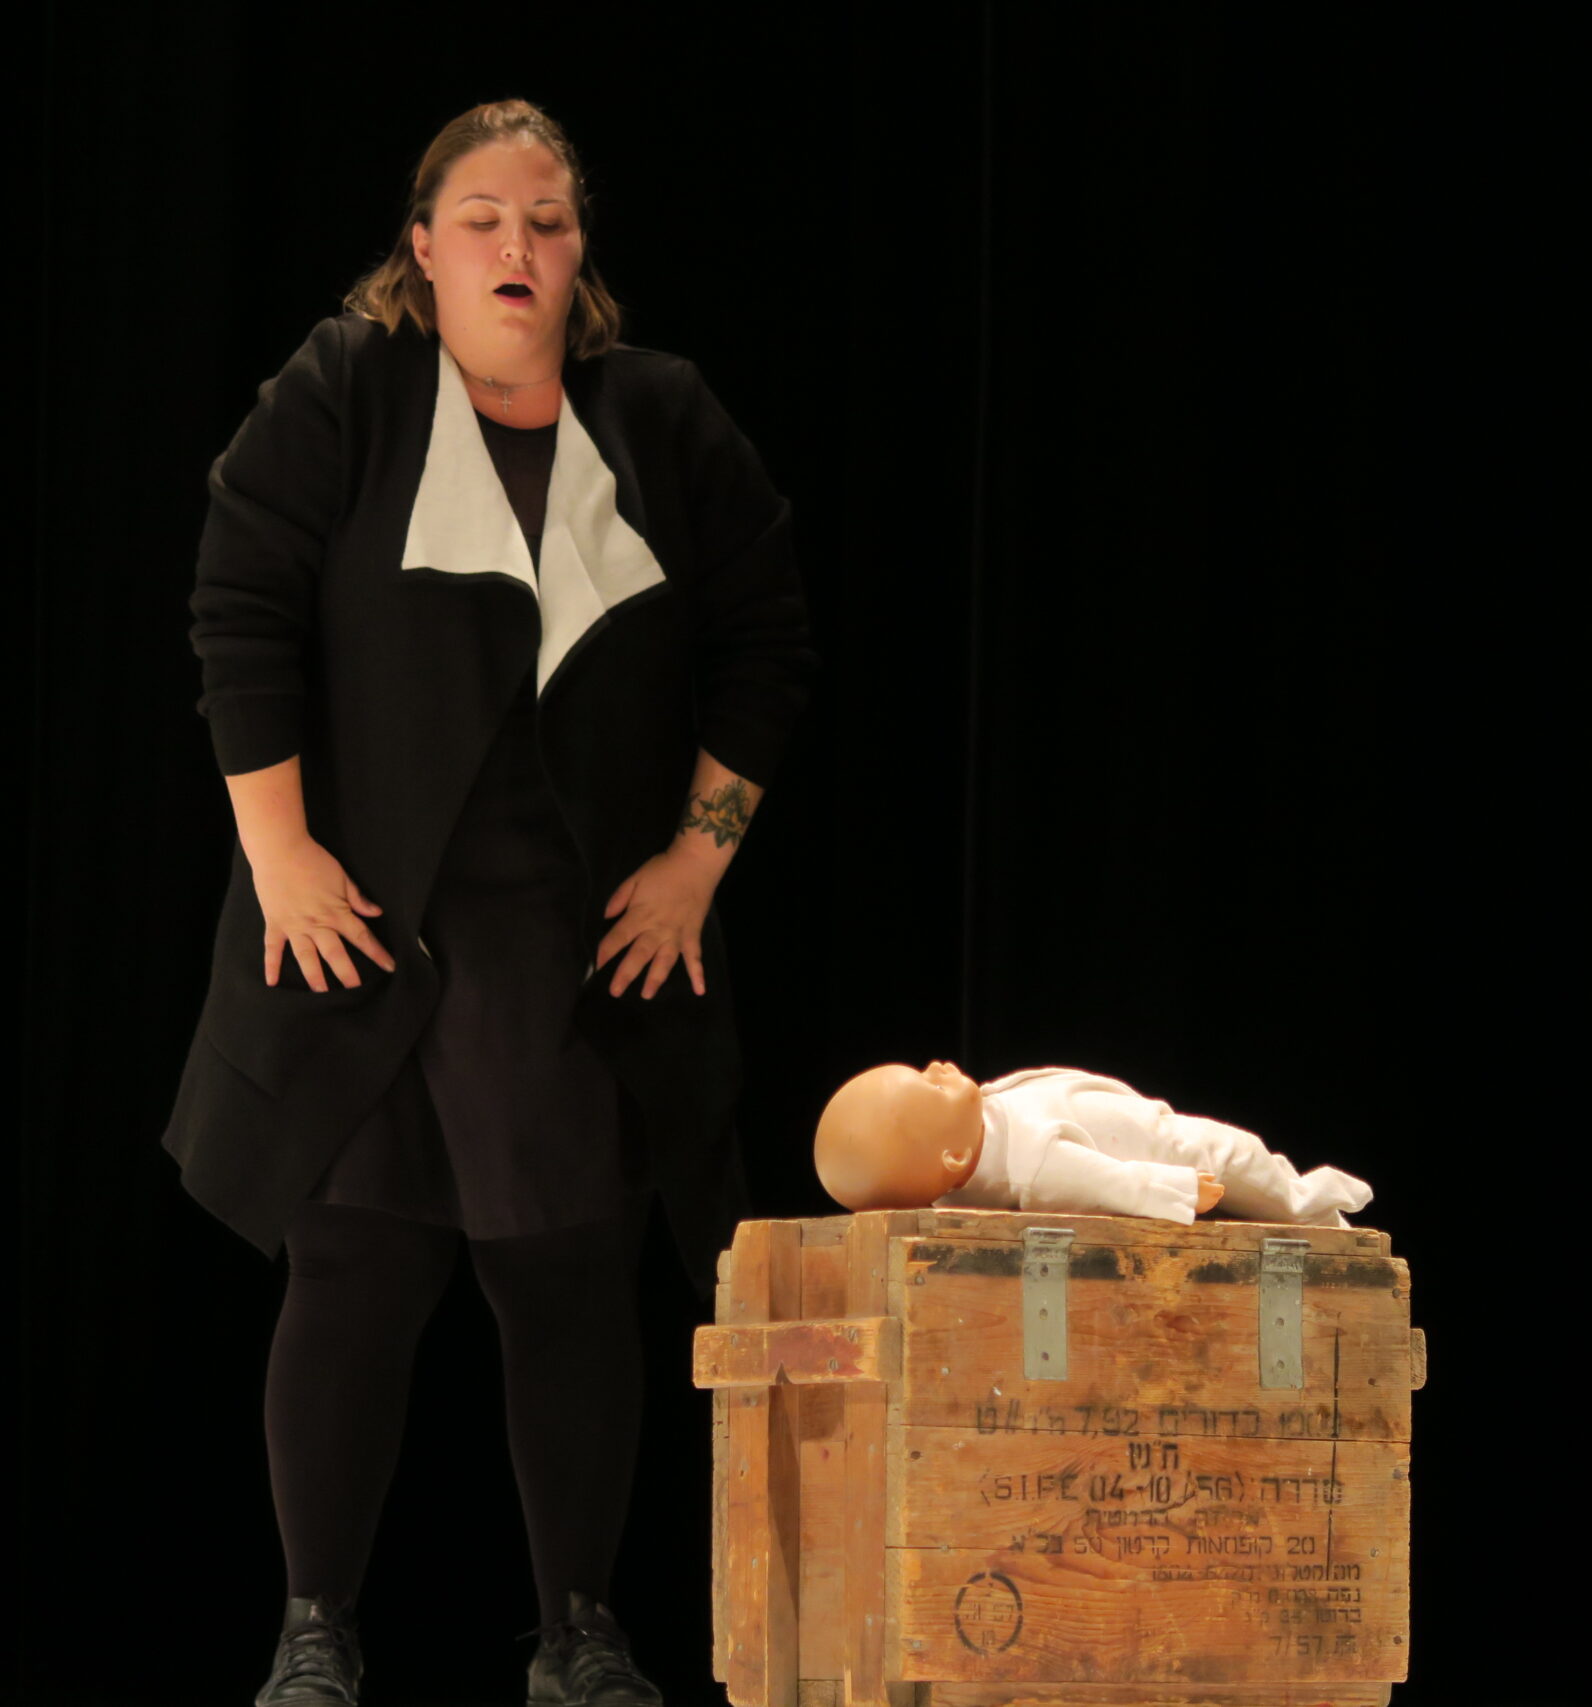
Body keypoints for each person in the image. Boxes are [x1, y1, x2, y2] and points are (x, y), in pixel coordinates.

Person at [162, 99, 814, 1707]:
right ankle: (315, 1624)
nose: (517, 247)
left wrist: (695, 860)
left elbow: (767, 635)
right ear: (423, 248)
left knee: (571, 1273)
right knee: (356, 1267)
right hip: (366, 924)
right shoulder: (346, 392)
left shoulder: (657, 419)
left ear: (579, 257)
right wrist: (279, 855)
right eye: (483, 218)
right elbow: (235, 607)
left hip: (566, 935)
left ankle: (579, 1628)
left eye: (548, 220)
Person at [812, 1062, 1373, 1227]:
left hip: (1125, 1111)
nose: (938, 1067)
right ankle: (1312, 1207)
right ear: (952, 1158)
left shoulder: (977, 1130)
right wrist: (1178, 1186)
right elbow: (1110, 1185)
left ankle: (1305, 1205)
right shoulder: (1035, 1169)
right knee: (1238, 1155)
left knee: (1239, 1154)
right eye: (931, 1087)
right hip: (1151, 1144)